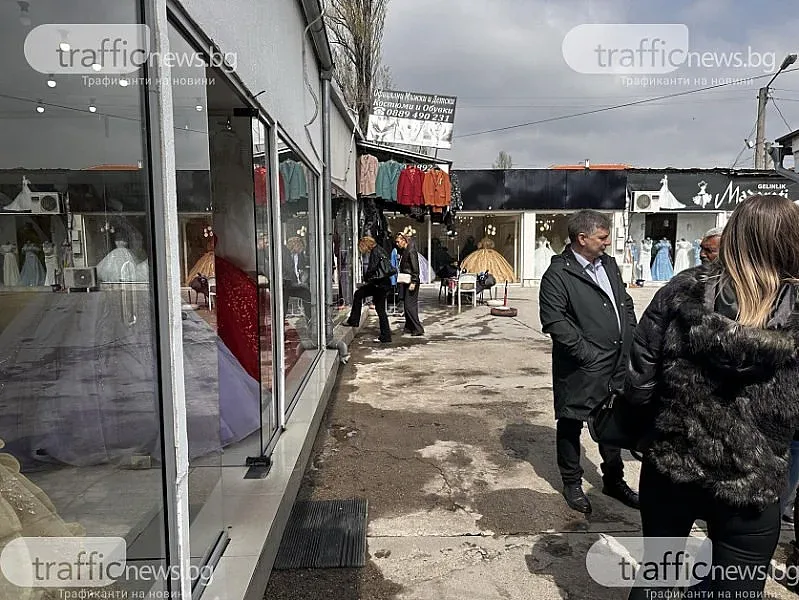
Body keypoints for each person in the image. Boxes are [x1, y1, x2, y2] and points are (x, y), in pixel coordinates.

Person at [625, 195, 799, 598]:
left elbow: (638, 379)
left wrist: (644, 432)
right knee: (736, 590)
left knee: (659, 576)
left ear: (734, 237)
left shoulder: (681, 290)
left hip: (673, 466)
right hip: (755, 480)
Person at [539, 210, 639, 514]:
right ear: (582, 239)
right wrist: (588, 355)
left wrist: (631, 337)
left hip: (618, 363)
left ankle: (613, 479)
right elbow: (555, 321)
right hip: (581, 368)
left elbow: (625, 302)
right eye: (603, 237)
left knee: (613, 423)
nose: (607, 243)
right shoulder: (558, 275)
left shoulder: (608, 265)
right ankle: (572, 483)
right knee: (571, 423)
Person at [344, 236, 393, 343]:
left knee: (359, 295)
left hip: (379, 285)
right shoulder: (380, 249)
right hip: (382, 284)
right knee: (379, 309)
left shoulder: (375, 252)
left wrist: (366, 280)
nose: (362, 250)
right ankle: (385, 335)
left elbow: (372, 269)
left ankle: (354, 321)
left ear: (366, 245)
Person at [395, 232, 424, 336]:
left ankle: (417, 328)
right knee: (407, 305)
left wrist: (414, 281)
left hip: (411, 281)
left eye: (398, 242)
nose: (397, 244)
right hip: (407, 281)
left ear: (404, 241)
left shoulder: (411, 251)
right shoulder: (405, 251)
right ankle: (409, 326)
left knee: (409, 305)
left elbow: (415, 268)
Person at [282, 236, 311, 322]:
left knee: (306, 293)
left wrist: (302, 277)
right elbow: (288, 270)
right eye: (300, 247)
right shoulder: (284, 253)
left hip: (294, 282)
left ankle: (310, 319)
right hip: (285, 282)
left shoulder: (299, 255)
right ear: (295, 245)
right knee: (284, 299)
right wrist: (297, 282)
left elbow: (302, 268)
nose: (301, 250)